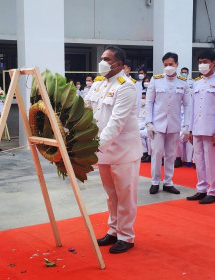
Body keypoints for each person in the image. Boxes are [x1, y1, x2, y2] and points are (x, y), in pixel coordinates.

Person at [84, 45, 142, 253]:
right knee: (111, 195)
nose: (102, 62)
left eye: (106, 59)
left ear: (118, 64)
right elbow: (86, 110)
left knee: (125, 194)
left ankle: (126, 236)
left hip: (124, 151)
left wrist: (94, 147)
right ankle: (114, 230)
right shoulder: (98, 85)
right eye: (101, 58)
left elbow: (116, 122)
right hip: (104, 151)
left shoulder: (126, 87)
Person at [187, 49, 215, 204]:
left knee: (211, 161)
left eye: (205, 61)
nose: (202, 65)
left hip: (211, 129)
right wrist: (191, 129)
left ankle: (213, 191)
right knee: (199, 159)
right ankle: (201, 188)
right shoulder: (197, 82)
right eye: (200, 62)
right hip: (197, 128)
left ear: (213, 63)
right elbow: (193, 109)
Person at [145, 52, 191, 195]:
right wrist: (148, 122)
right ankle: (154, 182)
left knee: (171, 154)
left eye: (171, 64)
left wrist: (187, 125)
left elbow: (188, 105)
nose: (168, 67)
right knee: (157, 153)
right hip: (158, 124)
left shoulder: (183, 82)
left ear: (176, 64)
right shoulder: (156, 80)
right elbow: (149, 102)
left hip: (174, 124)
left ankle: (168, 182)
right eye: (166, 65)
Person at [138, 92, 151, 162]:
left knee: (140, 133)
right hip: (140, 127)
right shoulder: (138, 108)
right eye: (141, 98)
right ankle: (144, 153)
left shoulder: (149, 107)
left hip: (148, 127)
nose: (142, 100)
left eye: (144, 98)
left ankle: (146, 153)